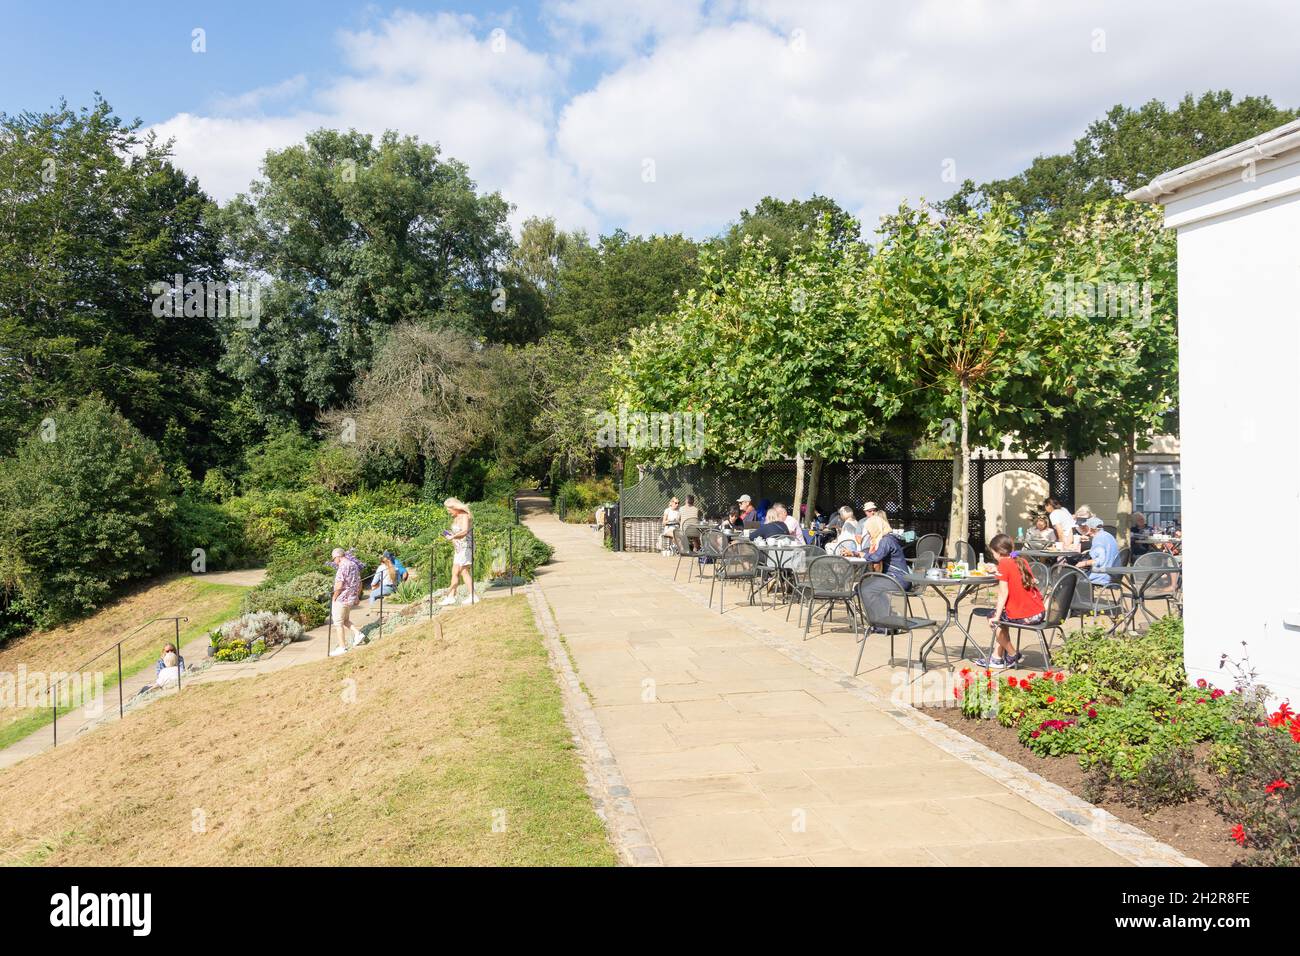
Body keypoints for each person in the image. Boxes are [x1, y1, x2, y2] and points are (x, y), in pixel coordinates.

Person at [977, 533, 1045, 669]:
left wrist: (996, 616)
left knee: (993, 618)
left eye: (993, 552)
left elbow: (1003, 593)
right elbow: (1014, 575)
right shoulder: (1021, 560)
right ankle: (996, 658)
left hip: (1026, 615)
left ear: (998, 551)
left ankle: (1013, 654)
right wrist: (997, 569)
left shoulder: (1004, 563)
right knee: (1002, 618)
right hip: (1038, 611)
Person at [443, 497, 479, 605]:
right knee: (455, 572)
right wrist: (450, 535)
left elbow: (464, 531)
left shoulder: (464, 516)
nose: (448, 511)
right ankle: (451, 596)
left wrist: (453, 536)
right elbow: (457, 533)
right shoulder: (456, 517)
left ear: (454, 507)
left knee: (464, 571)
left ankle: (473, 596)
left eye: (448, 509)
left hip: (466, 547)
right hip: (459, 549)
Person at [859, 513, 909, 590]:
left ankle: (878, 602)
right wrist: (855, 553)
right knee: (863, 585)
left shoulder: (886, 541)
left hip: (897, 580)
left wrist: (863, 555)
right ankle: (880, 602)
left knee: (863, 587)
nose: (869, 534)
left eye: (869, 531)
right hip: (897, 578)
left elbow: (876, 558)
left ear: (875, 528)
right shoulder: (889, 538)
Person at [329, 547, 364, 655]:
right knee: (345, 620)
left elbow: (339, 584)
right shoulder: (353, 565)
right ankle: (358, 634)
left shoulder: (342, 567)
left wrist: (334, 597)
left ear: (338, 556)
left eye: (334, 558)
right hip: (350, 598)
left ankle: (342, 647)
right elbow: (359, 581)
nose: (334, 561)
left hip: (341, 598)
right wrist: (357, 596)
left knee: (338, 623)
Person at [1076, 516, 1121, 585]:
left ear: (1091, 529)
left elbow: (1099, 560)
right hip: (1113, 573)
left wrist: (1083, 563)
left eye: (1085, 527)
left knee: (1073, 577)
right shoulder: (1108, 535)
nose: (1083, 529)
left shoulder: (1098, 539)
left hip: (1102, 575)